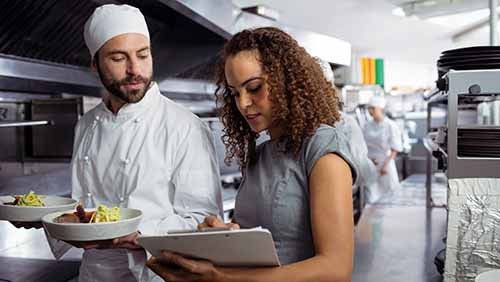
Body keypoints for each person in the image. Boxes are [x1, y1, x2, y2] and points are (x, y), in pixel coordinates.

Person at [146, 27, 357, 282]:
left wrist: (222, 278)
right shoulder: (260, 154)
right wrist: (223, 234)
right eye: (235, 93)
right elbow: (260, 239)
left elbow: (336, 268)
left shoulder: (321, 147)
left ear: (286, 81)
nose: (243, 103)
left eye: (254, 87)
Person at [56, 4, 222, 282]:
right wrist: (50, 222)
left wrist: (141, 232)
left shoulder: (183, 126)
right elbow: (81, 209)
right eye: (119, 58)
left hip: (155, 275)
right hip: (95, 275)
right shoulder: (85, 125)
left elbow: (204, 220)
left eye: (143, 55)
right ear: (95, 65)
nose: (135, 69)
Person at [363, 96, 403, 203]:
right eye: (369, 109)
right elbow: (363, 145)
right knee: (371, 198)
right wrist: (368, 160)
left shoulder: (390, 125)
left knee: (389, 197)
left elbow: (395, 148)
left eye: (373, 108)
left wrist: (385, 166)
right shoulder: (367, 125)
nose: (370, 111)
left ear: (380, 109)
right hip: (371, 164)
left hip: (386, 164)